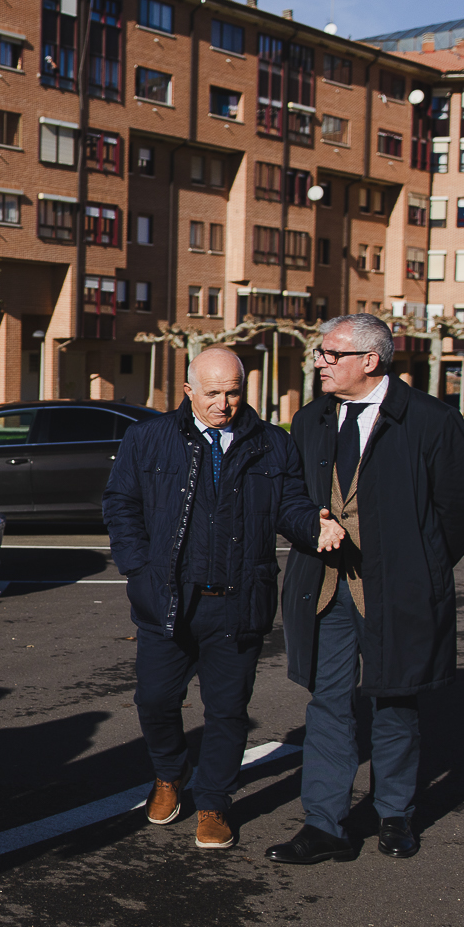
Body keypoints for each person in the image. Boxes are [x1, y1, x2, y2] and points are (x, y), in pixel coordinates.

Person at [104, 347, 341, 850]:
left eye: (233, 392)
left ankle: (213, 803)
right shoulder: (148, 439)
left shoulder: (272, 444)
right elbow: (120, 505)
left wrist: (311, 525)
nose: (223, 404)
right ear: (189, 391)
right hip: (167, 599)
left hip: (238, 602)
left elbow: (292, 505)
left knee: (229, 711)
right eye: (212, 393)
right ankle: (169, 774)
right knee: (155, 699)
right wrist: (138, 569)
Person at [269, 313, 464, 866]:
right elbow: (292, 493)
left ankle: (394, 814)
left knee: (395, 701)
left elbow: (457, 510)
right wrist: (309, 521)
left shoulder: (431, 420)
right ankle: (324, 823)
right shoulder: (310, 418)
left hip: (398, 589)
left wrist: (423, 567)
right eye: (319, 352)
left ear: (370, 360)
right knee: (329, 704)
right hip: (324, 587)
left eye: (330, 354)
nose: (319, 361)